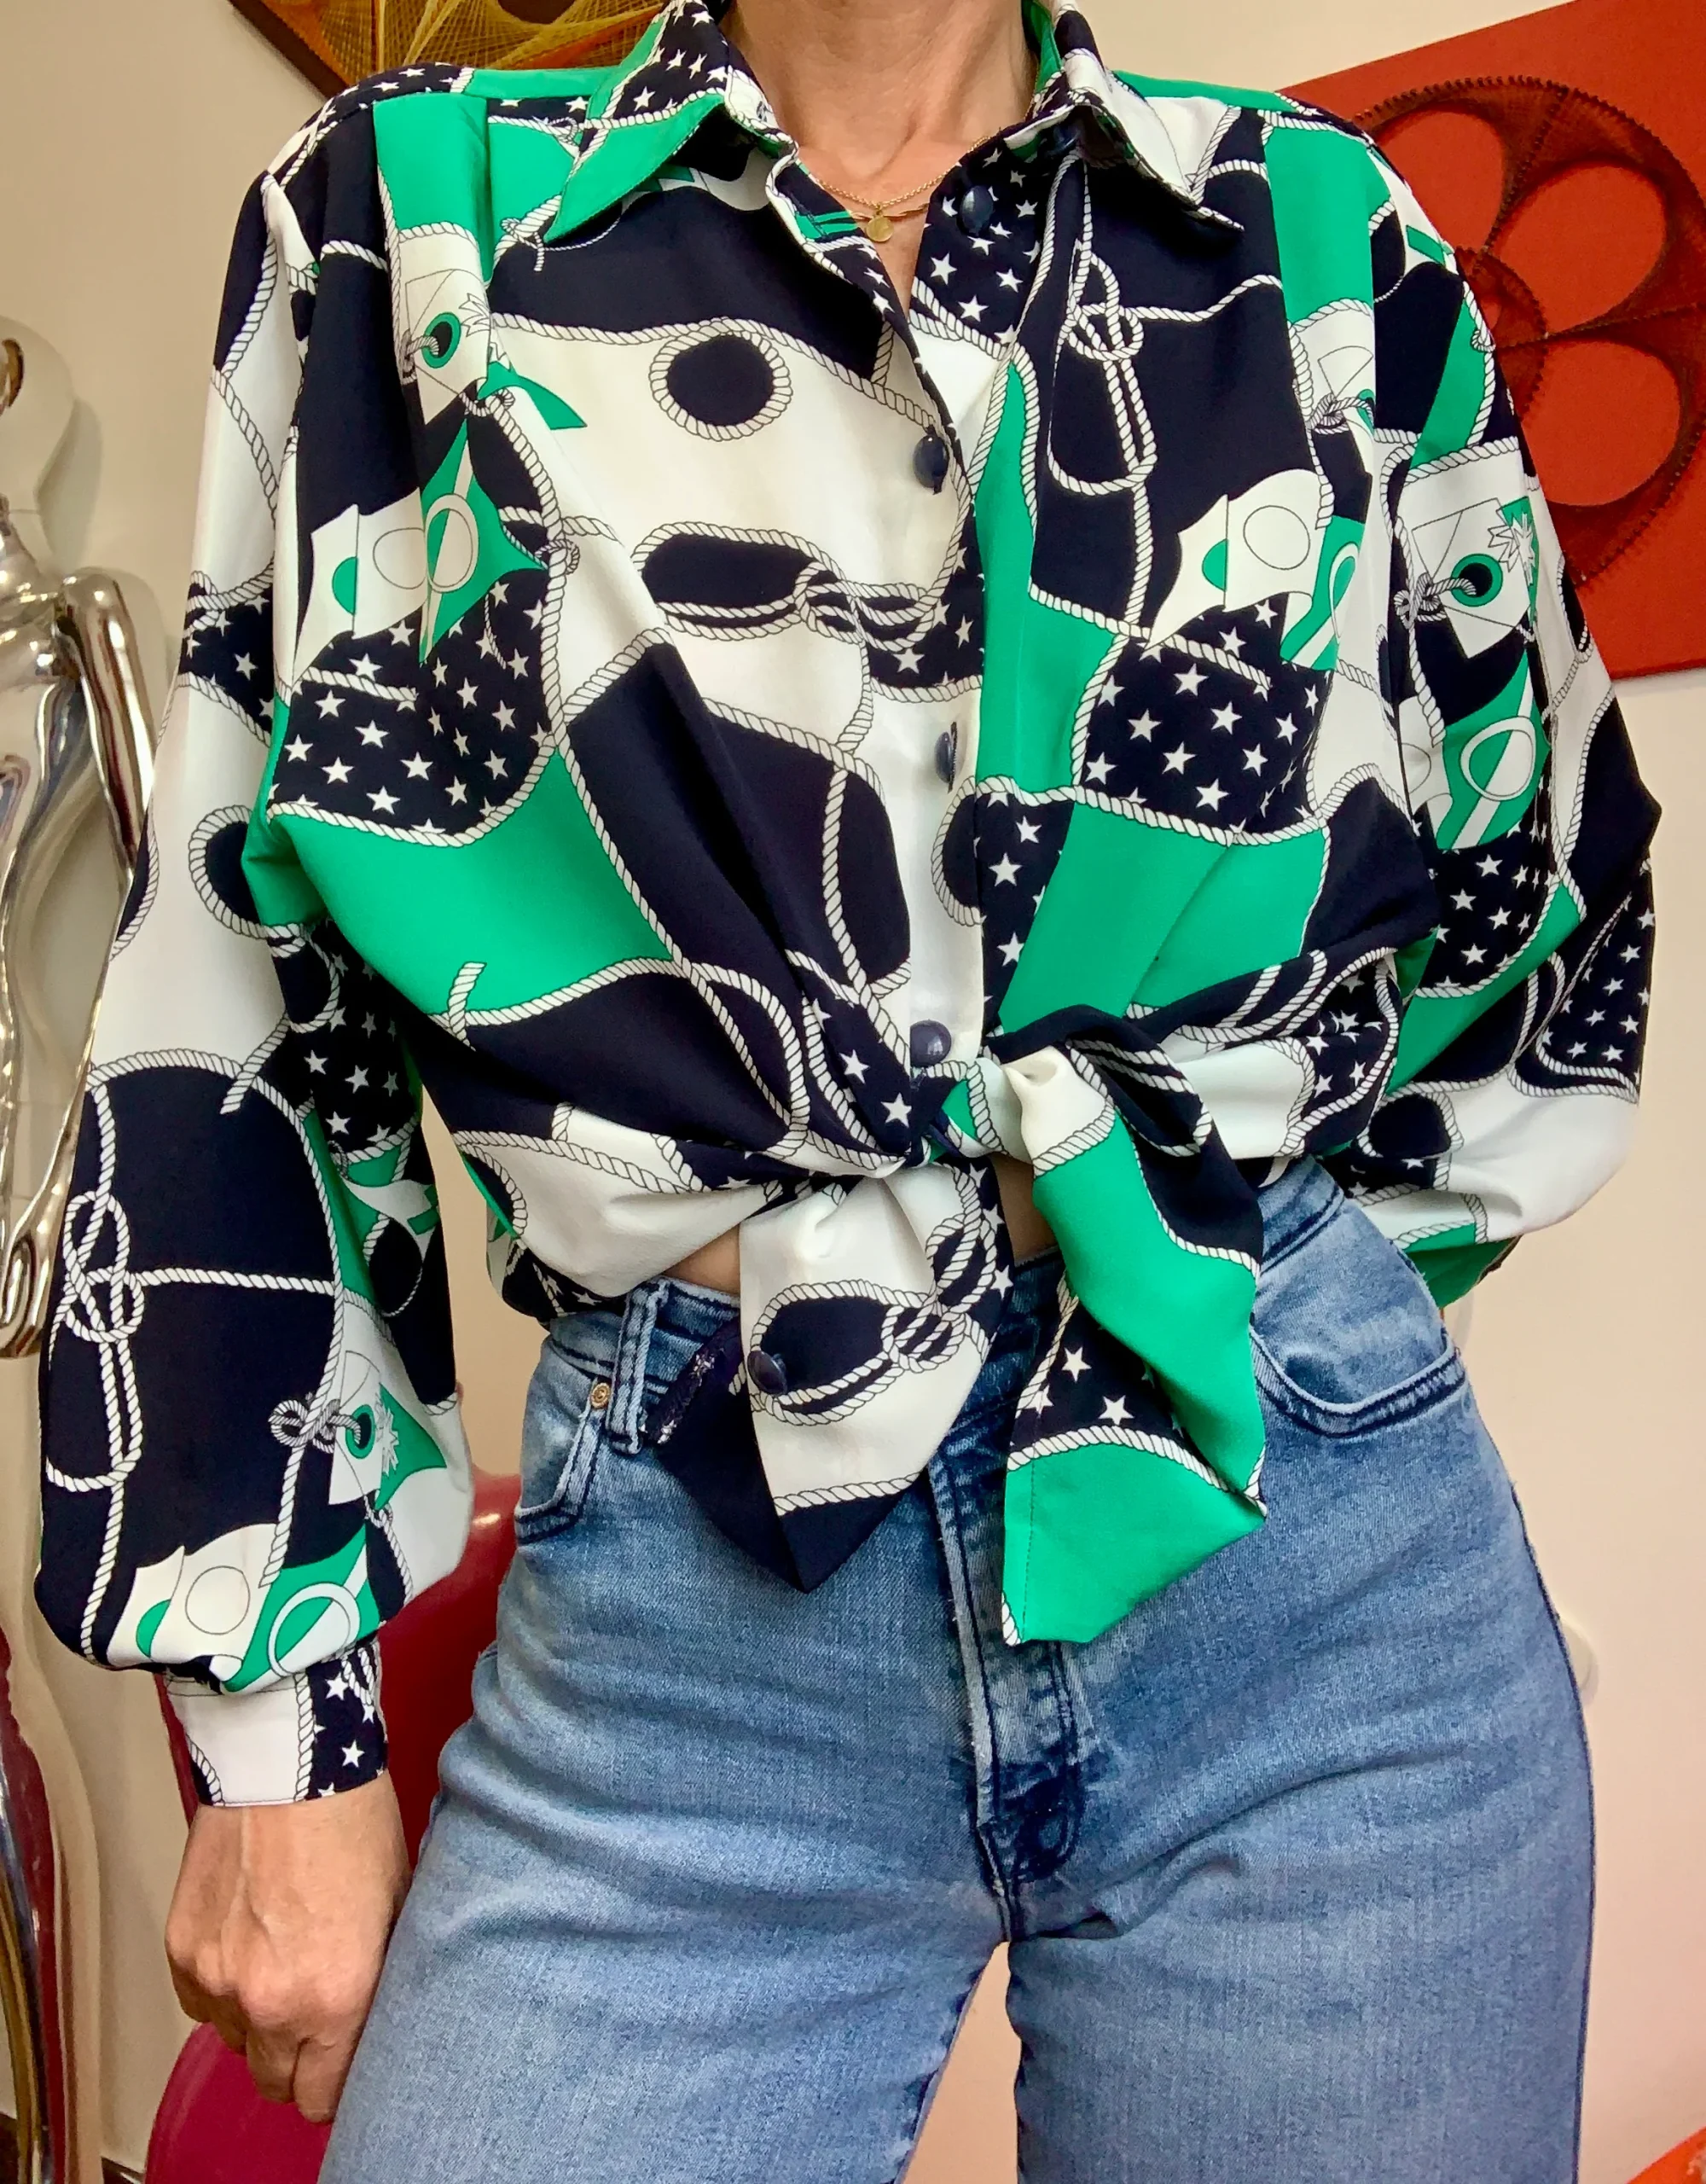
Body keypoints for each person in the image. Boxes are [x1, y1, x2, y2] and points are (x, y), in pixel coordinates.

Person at [38, 0, 1658, 2174]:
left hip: (1319, 1626)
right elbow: (236, 970)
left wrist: (1280, 1315)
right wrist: (276, 1726)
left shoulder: (1308, 226)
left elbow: (1528, 864)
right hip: (693, 1619)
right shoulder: (409, 217)